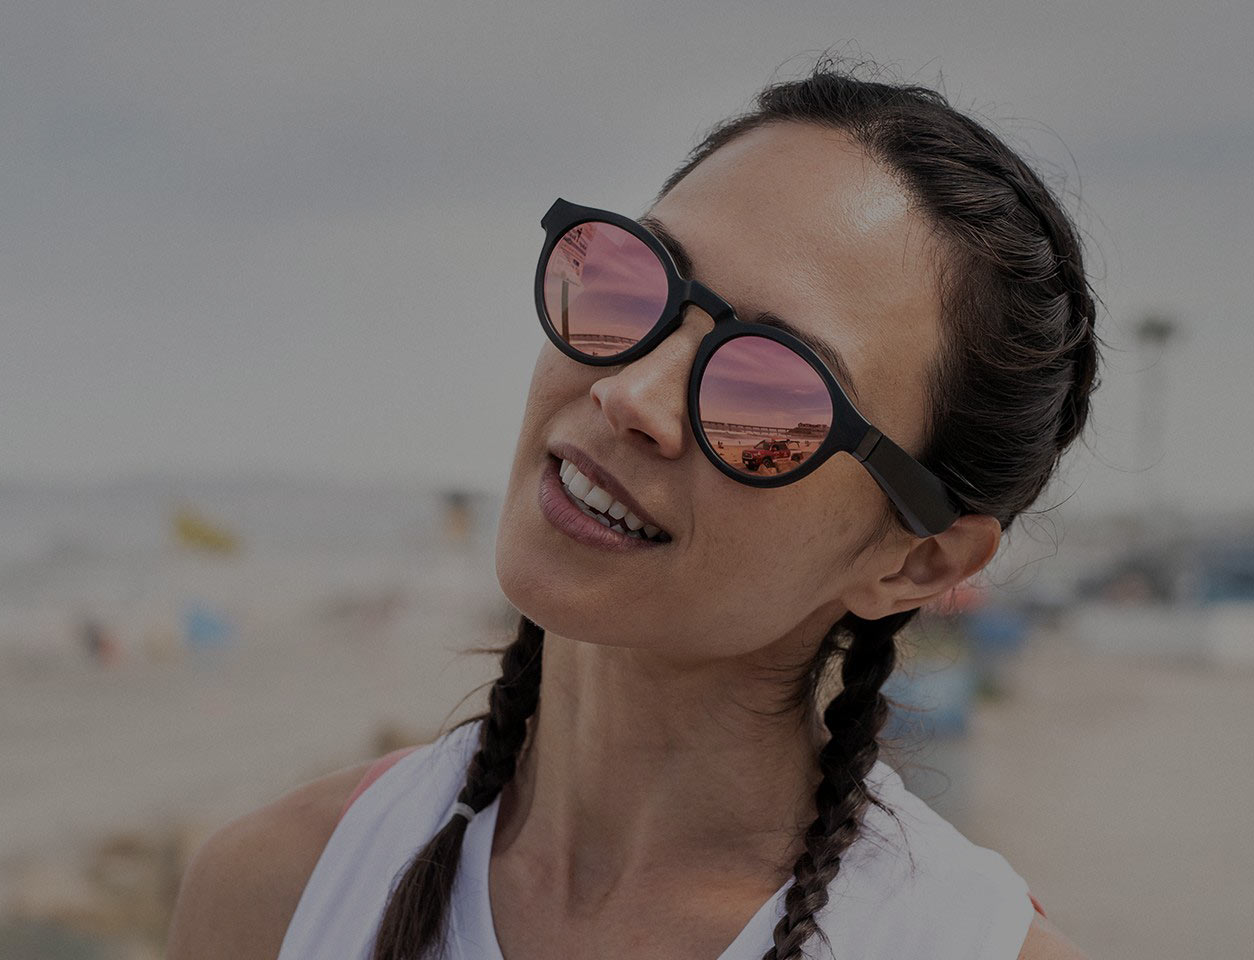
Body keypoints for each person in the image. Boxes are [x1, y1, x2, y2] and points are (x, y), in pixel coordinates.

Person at [168, 59, 1099, 960]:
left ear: (917, 560)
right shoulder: (279, 894)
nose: (631, 396)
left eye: (772, 391)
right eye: (636, 282)